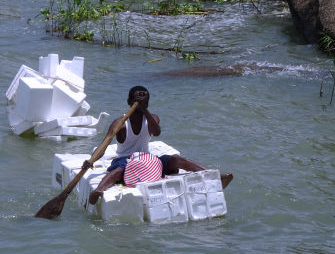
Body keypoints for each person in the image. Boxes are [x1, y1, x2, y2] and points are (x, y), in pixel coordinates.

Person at [82, 86, 233, 205]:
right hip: (125, 160)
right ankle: (99, 190)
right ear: (129, 102)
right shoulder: (120, 123)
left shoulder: (152, 118)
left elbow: (157, 131)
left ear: (147, 103)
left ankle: (214, 178)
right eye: (137, 98)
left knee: (177, 159)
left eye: (145, 99)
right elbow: (105, 143)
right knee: (119, 169)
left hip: (148, 160)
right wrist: (91, 161)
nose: (141, 101)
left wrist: (144, 110)